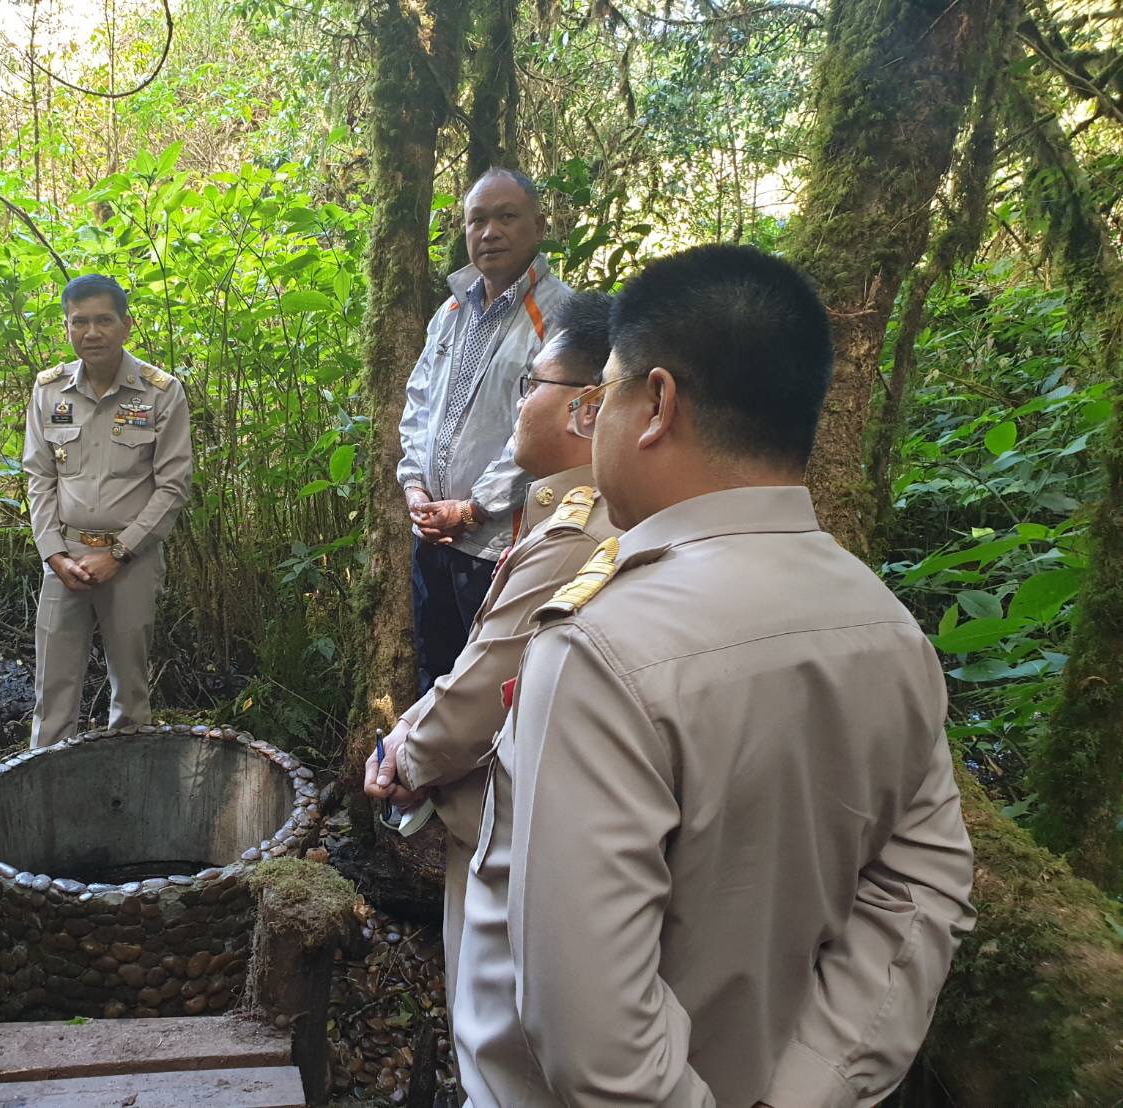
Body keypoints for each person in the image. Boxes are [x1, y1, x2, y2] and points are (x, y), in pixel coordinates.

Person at [453, 244, 976, 1107]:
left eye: (605, 396)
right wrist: (810, 1090)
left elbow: (598, 1049)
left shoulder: (599, 651)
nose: (596, 425)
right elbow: (919, 890)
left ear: (655, 402)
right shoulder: (888, 628)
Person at [365, 291, 616, 1005]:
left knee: (496, 1022)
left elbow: (490, 684)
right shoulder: (445, 314)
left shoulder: (578, 533)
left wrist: (403, 759)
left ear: (588, 407)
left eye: (531, 385)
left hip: (525, 841)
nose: (519, 403)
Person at [397, 167, 571, 696]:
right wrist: (416, 489)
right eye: (477, 220)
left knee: (490, 688)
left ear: (539, 226)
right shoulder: (452, 310)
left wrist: (473, 508)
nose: (489, 232)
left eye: (506, 217)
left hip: (499, 546)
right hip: (432, 536)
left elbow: (545, 432)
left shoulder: (558, 315)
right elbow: (419, 403)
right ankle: (427, 776)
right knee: (434, 673)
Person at [23, 275, 193, 748]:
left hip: (130, 561)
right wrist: (54, 554)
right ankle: (46, 789)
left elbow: (173, 485)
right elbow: (38, 478)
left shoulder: (160, 392)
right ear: (67, 327)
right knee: (52, 690)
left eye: (103, 320)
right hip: (66, 559)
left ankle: (128, 792)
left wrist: (119, 553)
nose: (91, 332)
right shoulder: (49, 391)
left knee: (131, 689)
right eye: (80, 322)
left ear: (126, 325)